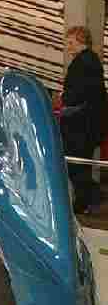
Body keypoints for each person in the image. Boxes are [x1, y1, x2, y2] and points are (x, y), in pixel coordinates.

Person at [59, 25, 108, 214]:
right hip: (89, 123)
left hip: (80, 125)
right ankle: (86, 200)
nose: (68, 47)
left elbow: (77, 94)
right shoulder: (91, 61)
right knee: (81, 164)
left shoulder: (82, 62)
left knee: (76, 164)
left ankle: (89, 199)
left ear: (81, 41)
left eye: (70, 43)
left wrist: (64, 98)